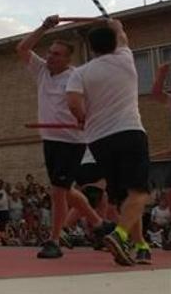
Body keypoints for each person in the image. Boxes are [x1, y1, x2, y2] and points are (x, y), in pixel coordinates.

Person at [16, 15, 110, 259]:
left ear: (68, 58)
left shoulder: (77, 76)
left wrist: (86, 119)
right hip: (50, 137)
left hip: (71, 140)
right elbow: (22, 48)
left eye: (56, 54)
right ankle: (99, 224)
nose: (49, 57)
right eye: (49, 52)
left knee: (57, 191)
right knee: (65, 189)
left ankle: (54, 240)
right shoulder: (42, 72)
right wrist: (45, 27)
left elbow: (92, 105)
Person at [66, 19, 152, 265]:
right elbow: (122, 36)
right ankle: (121, 234)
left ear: (90, 47)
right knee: (140, 192)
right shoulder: (126, 58)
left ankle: (141, 245)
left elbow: (73, 102)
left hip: (98, 139)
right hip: (129, 131)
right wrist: (116, 25)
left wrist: (83, 118)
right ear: (115, 42)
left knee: (124, 198)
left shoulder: (80, 72)